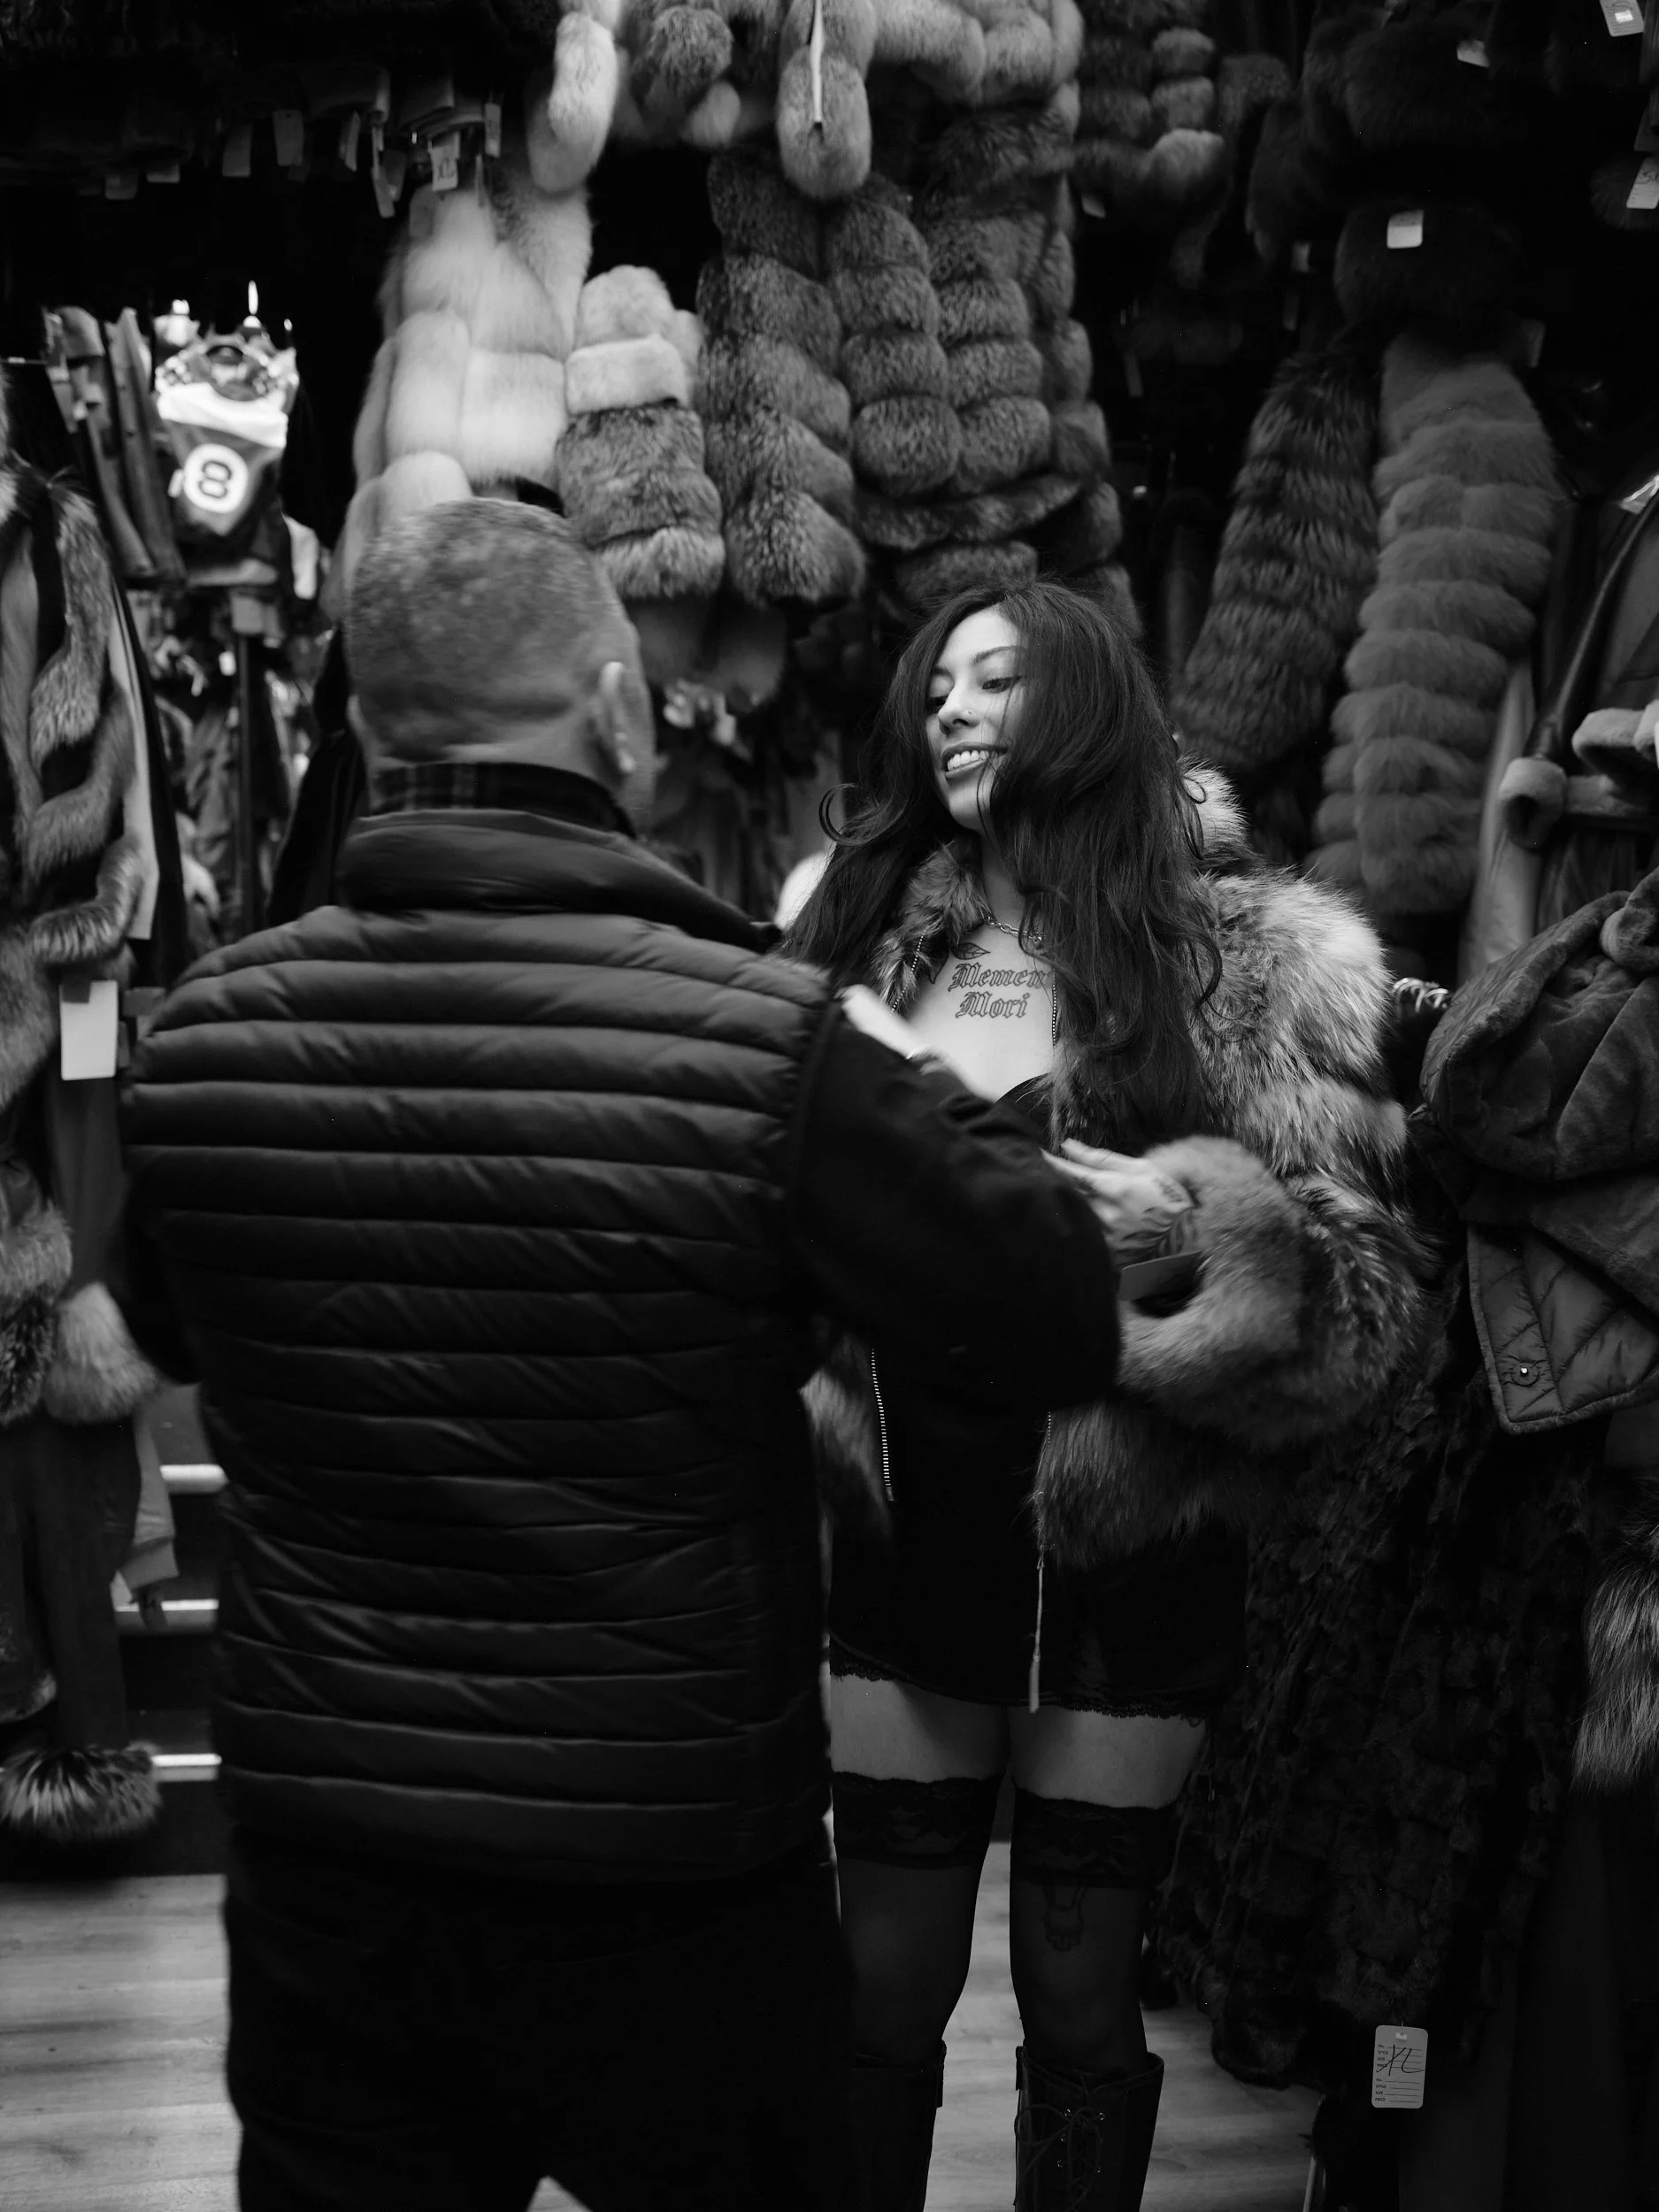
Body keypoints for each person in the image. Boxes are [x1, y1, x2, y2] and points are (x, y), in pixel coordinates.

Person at [111, 505, 1179, 2212]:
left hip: (333, 1855)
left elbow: (170, 1329)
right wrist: (895, 1070)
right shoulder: (763, 1040)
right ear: (618, 710)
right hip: (667, 1852)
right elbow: (1052, 1302)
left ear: (368, 723)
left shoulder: (206, 1038)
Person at [787, 581, 1432, 2212]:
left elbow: (1366, 1300)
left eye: (995, 679)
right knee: (881, 1982)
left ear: (1083, 701)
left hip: (1125, 1571)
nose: (949, 708)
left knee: (1079, 1995)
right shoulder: (849, 935)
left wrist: (1207, 1224)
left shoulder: (1254, 962)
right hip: (902, 1532)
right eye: (935, 683)